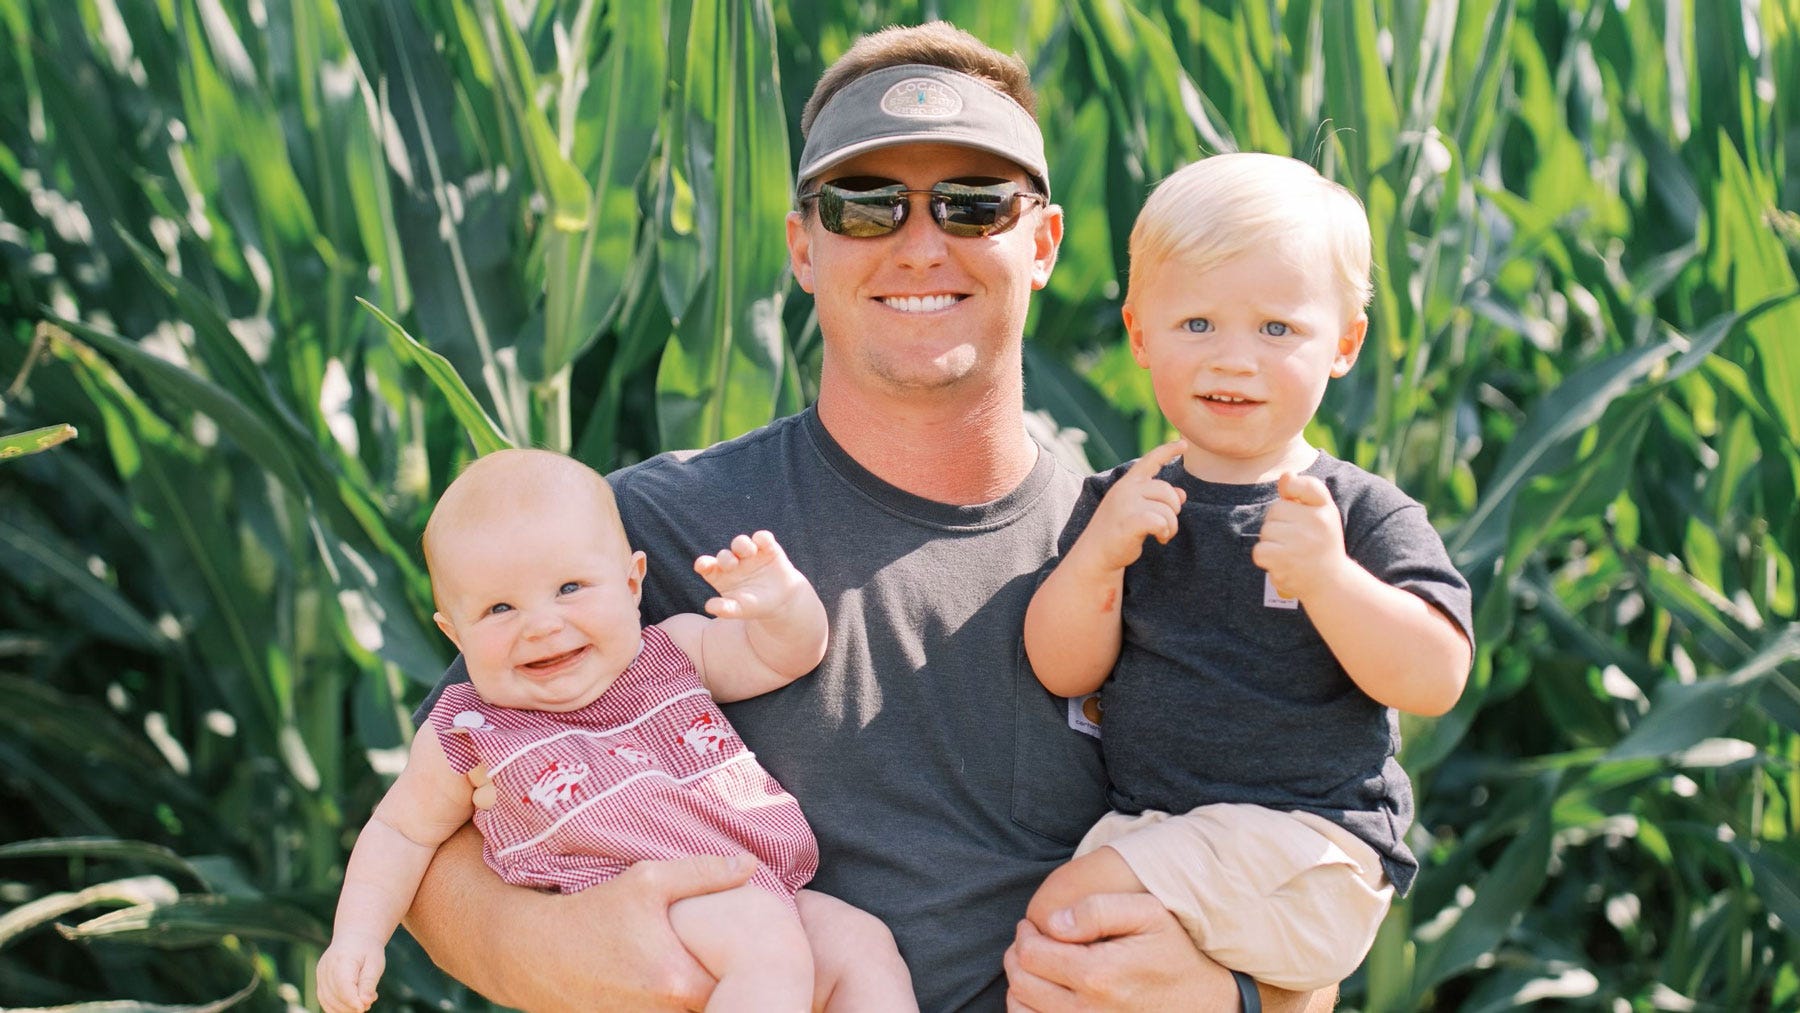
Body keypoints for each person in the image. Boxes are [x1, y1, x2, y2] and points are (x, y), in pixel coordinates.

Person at [404, 23, 1334, 1012]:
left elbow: (1314, 883)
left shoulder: (1160, 556)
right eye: (865, 205)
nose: (921, 244)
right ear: (804, 246)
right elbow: (428, 842)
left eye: (975, 205)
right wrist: (547, 944)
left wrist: (1233, 992)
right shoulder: (641, 535)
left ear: (1045, 243)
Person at [1021, 152, 1475, 991]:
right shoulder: (1124, 500)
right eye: (1197, 325)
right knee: (1066, 979)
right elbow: (1062, 665)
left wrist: (1331, 578)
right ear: (1139, 334)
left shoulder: (1356, 512)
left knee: (1066, 919)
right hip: (1156, 834)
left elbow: (1437, 676)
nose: (1234, 359)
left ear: (1343, 344)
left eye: (1276, 329)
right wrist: (1098, 558)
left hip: (1308, 847)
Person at [317, 450, 914, 1013]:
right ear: (455, 635)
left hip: (760, 885)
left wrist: (782, 605)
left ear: (632, 585)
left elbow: (785, 655)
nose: (543, 626)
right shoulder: (469, 731)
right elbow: (400, 832)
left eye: (569, 588)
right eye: (500, 610)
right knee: (764, 937)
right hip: (630, 919)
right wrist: (357, 938)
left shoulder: (672, 652)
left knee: (861, 943)